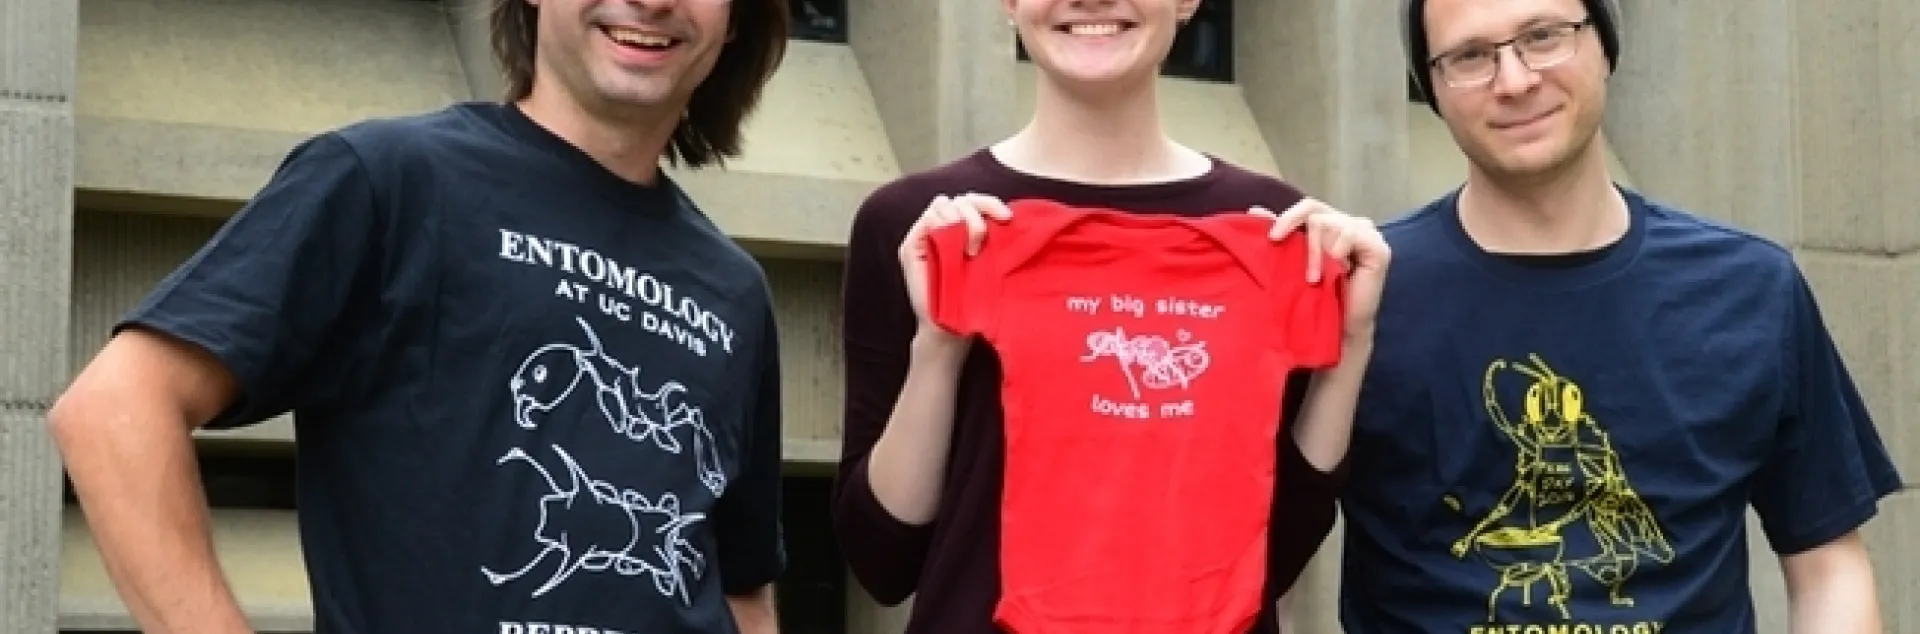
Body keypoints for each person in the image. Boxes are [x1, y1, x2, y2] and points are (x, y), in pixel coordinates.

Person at [47, 0, 792, 632]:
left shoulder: (733, 290)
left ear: (735, 22)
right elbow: (114, 412)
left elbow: (740, 581)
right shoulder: (390, 181)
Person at [1337, 0, 1904, 631]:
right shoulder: (1363, 297)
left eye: (1544, 36)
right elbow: (1257, 553)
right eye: (1470, 56)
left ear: (1604, 45)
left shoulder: (1749, 289)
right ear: (1432, 85)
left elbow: (1827, 563)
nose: (1515, 80)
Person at [829, 0, 1391, 632]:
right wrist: (938, 343)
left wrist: (1350, 343)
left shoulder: (1275, 231)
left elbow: (1274, 553)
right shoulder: (924, 225)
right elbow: (881, 560)